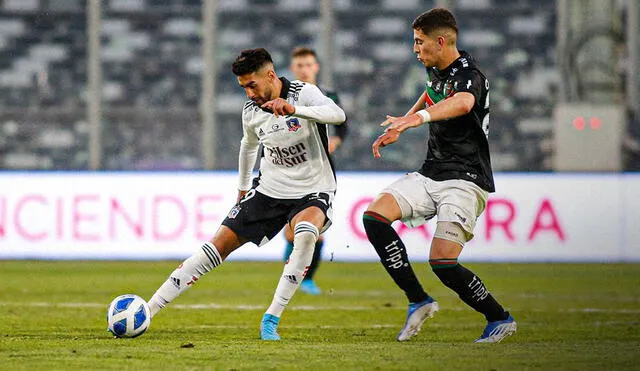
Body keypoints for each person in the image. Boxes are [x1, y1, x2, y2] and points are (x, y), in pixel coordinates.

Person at [146, 48, 345, 341]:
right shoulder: (251, 110)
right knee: (216, 246)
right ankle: (147, 311)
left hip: (312, 189)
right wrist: (242, 188)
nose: (249, 93)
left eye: (252, 85)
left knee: (305, 234)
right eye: (243, 88)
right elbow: (248, 146)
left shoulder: (304, 93)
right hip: (268, 189)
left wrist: (295, 110)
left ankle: (271, 319)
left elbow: (337, 115)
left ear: (270, 75)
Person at [363, 8, 516, 343]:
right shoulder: (437, 68)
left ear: (441, 41)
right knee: (374, 217)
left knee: (443, 263)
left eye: (419, 42)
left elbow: (461, 103)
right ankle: (418, 299)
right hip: (431, 172)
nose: (415, 49)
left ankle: (499, 317)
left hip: (465, 179)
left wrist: (415, 121)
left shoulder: (470, 75)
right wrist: (403, 122)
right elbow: (432, 92)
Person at [281, 47, 349, 295]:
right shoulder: (284, 96)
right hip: (290, 170)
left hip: (320, 171)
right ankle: (292, 271)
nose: (304, 69)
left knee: (314, 231)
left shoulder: (328, 95)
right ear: (293, 68)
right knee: (291, 233)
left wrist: (334, 143)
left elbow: (342, 127)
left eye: (308, 64)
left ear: (316, 67)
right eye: (299, 65)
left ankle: (306, 279)